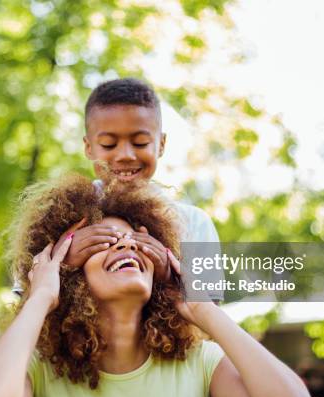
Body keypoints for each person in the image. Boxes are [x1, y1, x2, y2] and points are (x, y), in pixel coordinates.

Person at [0, 175, 314, 397]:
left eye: (138, 241)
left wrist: (202, 307)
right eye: (106, 241)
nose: (126, 247)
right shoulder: (38, 369)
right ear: (69, 274)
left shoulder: (200, 364)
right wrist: (40, 298)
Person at [13, 78, 223, 298]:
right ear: (88, 147)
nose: (125, 155)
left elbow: (208, 319)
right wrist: (60, 264)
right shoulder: (55, 217)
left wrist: (171, 278)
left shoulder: (194, 223)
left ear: (161, 144)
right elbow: (25, 308)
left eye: (140, 142)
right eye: (109, 145)